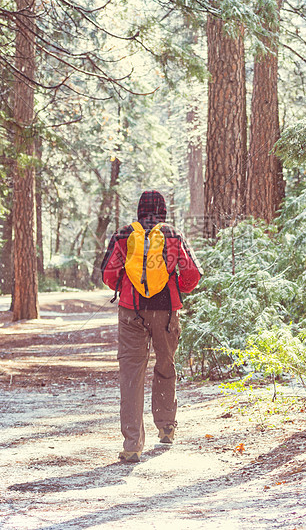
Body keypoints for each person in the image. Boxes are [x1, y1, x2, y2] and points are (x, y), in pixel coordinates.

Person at [100, 190, 202, 463]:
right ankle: (166, 427)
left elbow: (108, 274)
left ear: (139, 210)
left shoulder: (123, 235)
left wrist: (126, 287)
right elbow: (192, 273)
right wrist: (175, 288)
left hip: (131, 312)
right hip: (166, 311)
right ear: (164, 210)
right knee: (165, 365)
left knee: (131, 375)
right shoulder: (173, 234)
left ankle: (132, 445)